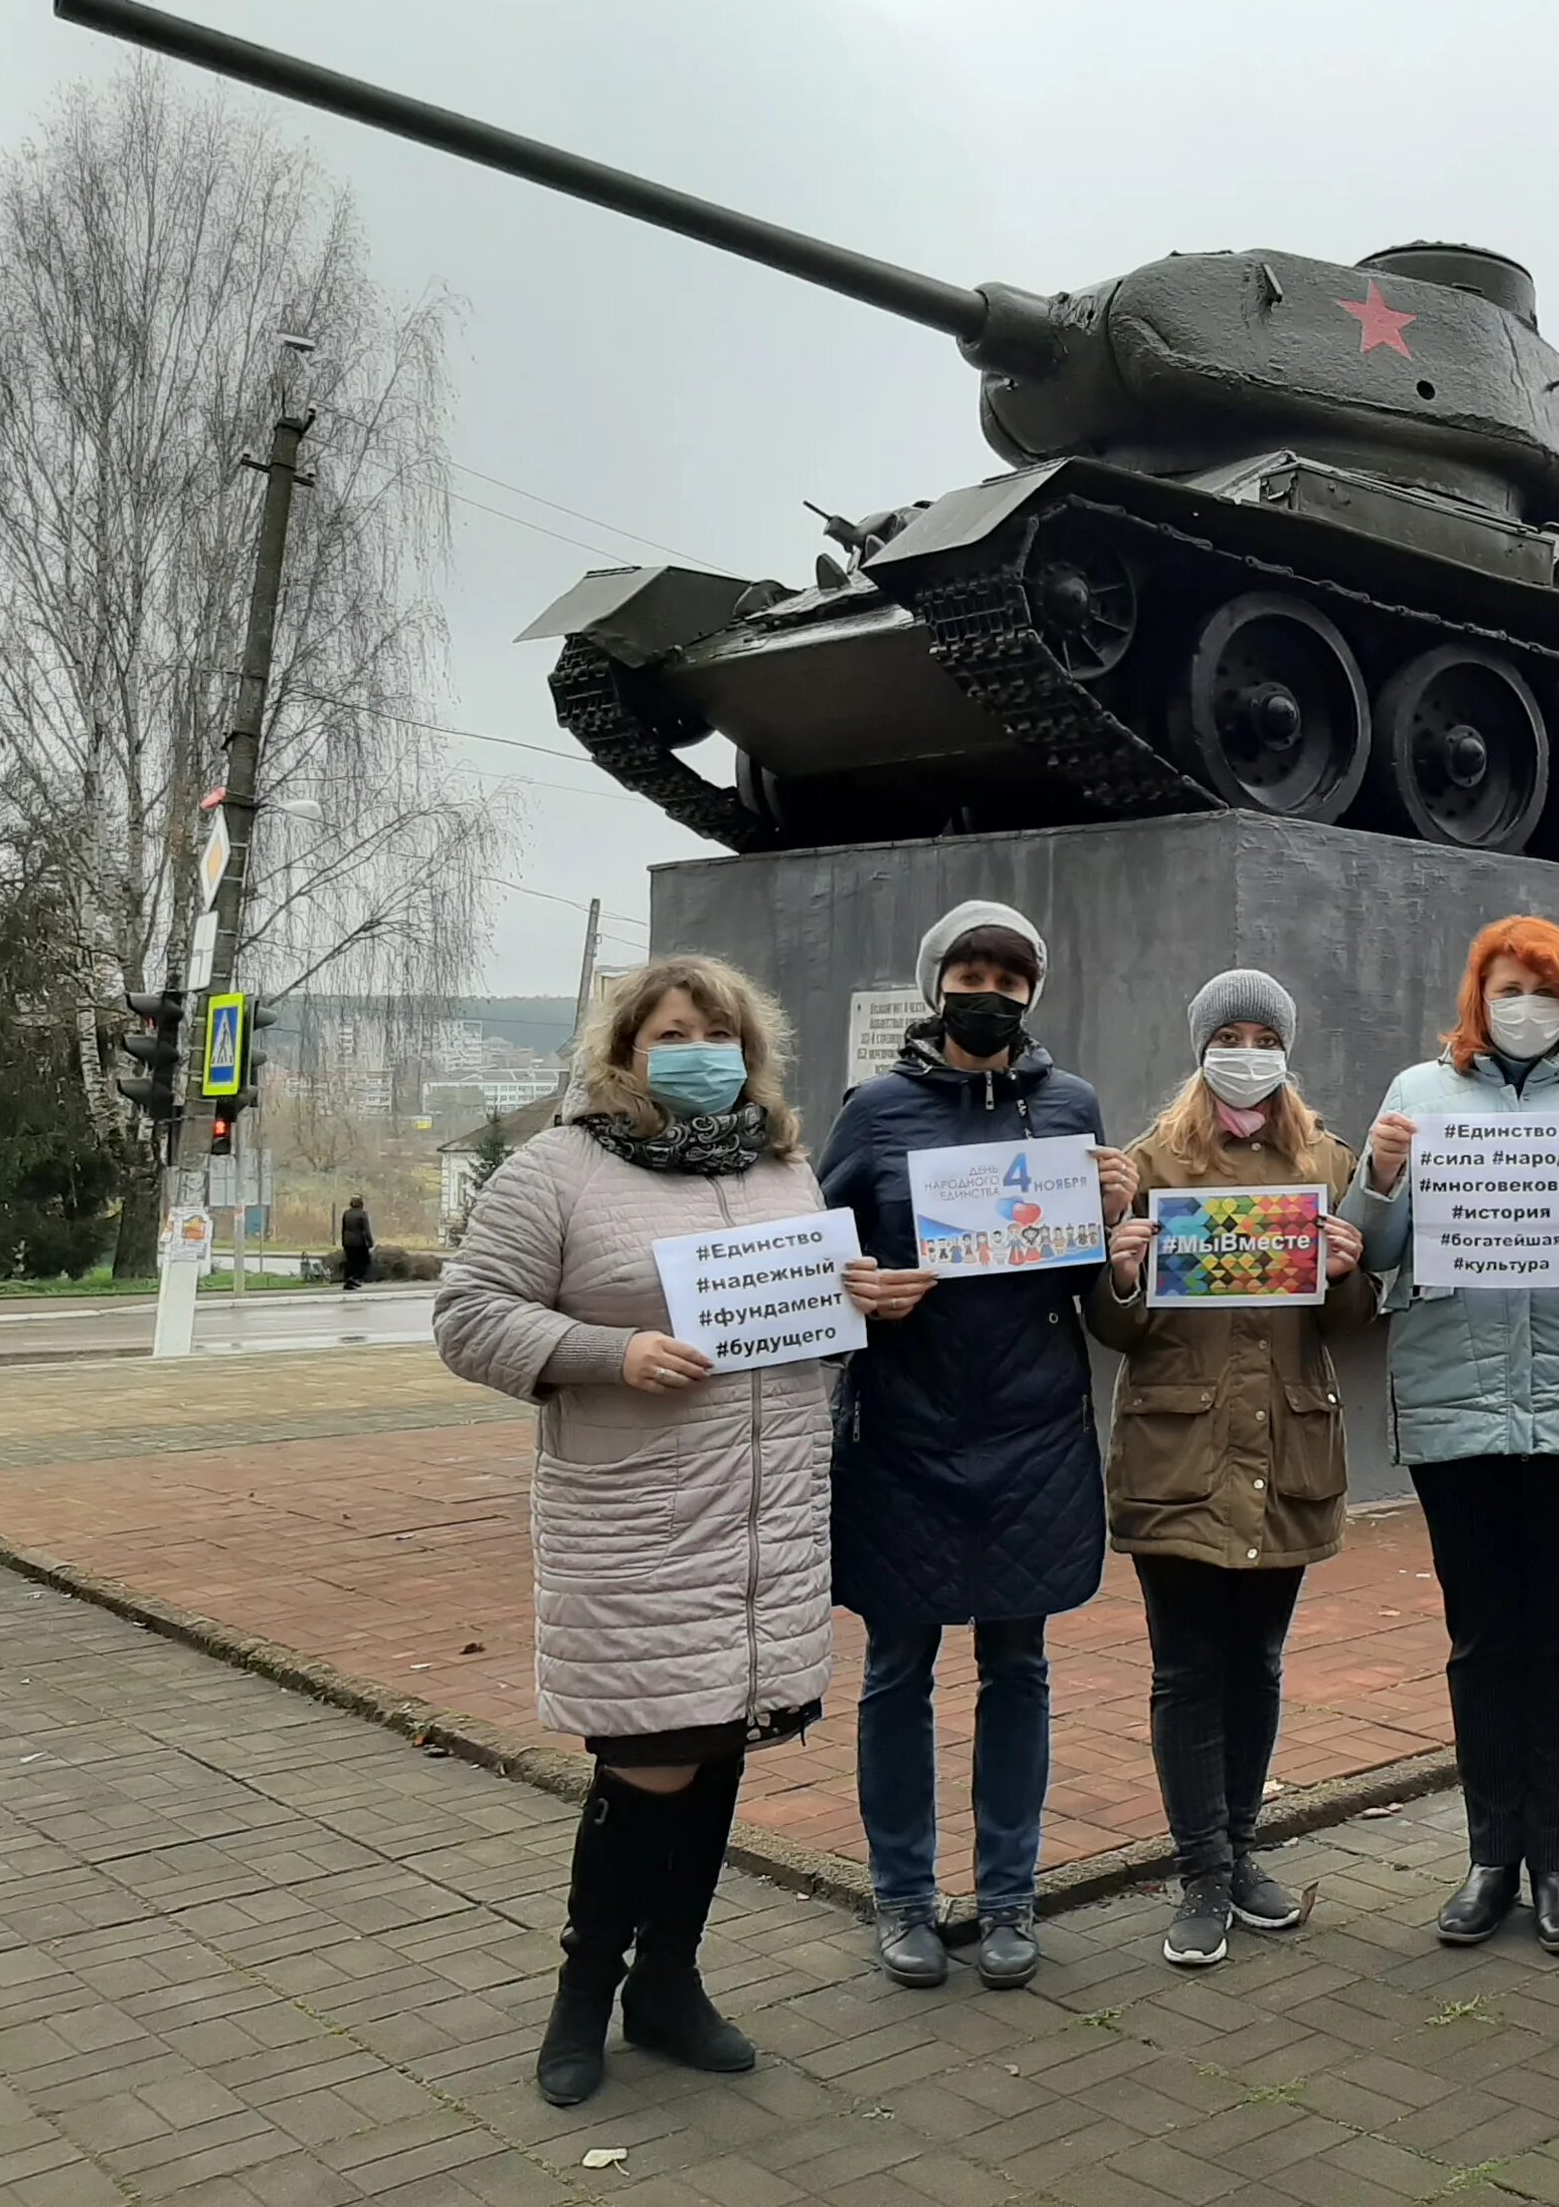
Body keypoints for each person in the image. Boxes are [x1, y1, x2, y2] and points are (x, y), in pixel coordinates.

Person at [432, 956, 916, 2107]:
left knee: (713, 1752)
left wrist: (860, 1298)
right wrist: (611, 1352)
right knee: (648, 1759)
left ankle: (671, 1985)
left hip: (765, 1519)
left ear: (750, 1055)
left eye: (717, 1033)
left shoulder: (782, 1165)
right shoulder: (561, 1167)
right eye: (671, 1033)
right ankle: (582, 1992)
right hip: (640, 1520)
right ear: (624, 1050)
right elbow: (467, 1315)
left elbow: (794, 1315)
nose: (696, 1050)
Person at [1339, 916, 1559, 1955]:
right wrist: (1383, 1175)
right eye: (1504, 986)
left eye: (1541, 987)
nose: (1521, 1005)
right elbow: (1372, 1251)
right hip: (1459, 1400)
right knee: (1484, 1636)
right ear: (1475, 997)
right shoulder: (1416, 1095)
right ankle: (1492, 1855)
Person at [820, 900, 1137, 1993]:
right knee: (896, 1669)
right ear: (936, 984)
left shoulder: (1074, 1107)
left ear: (1032, 994)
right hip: (905, 1429)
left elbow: (1097, 1293)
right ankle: (904, 1897)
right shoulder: (874, 1111)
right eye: (971, 969)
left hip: (1033, 1432)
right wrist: (853, 1291)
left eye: (1011, 975)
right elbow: (811, 1260)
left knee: (1020, 1666)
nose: (990, 991)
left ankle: (1010, 1896)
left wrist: (1118, 1225)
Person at [1089, 970, 1378, 1967]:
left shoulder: (1326, 1161)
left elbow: (1348, 1326)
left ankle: (1244, 1853)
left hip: (1286, 1448)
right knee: (1185, 1669)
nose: (1246, 1050)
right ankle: (1201, 1874)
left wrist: (1348, 1271)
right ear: (1202, 1046)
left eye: (1263, 1034)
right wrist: (1120, 1268)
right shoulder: (1148, 1162)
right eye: (1231, 1033)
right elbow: (1114, 1328)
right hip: (1179, 1450)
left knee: (1254, 1664)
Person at [340, 1195, 374, 1289]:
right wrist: (370, 1241)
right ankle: (354, 1278)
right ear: (361, 1203)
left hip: (347, 1241)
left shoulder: (346, 1213)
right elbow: (366, 1230)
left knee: (350, 1261)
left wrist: (343, 1240)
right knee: (364, 1261)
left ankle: (350, 1280)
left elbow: (343, 1229)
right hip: (359, 1242)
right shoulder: (362, 1214)